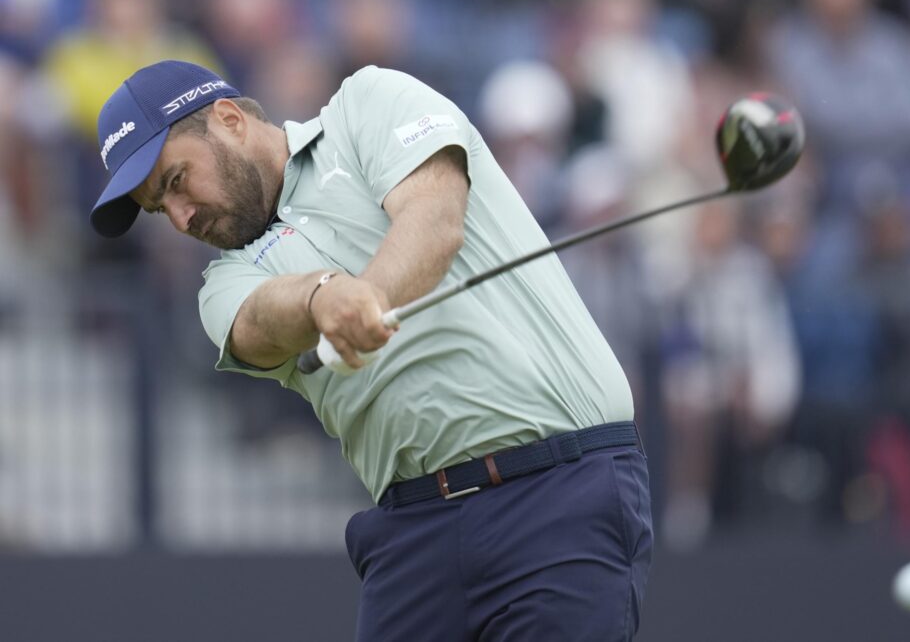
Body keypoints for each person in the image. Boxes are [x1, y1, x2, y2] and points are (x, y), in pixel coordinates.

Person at [89, 60, 653, 640]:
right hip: (415, 533)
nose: (181, 218)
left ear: (230, 120)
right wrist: (321, 298)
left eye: (177, 181)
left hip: (557, 488)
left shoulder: (366, 104)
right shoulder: (220, 286)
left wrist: (370, 295)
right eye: (161, 210)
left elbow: (435, 218)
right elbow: (261, 321)